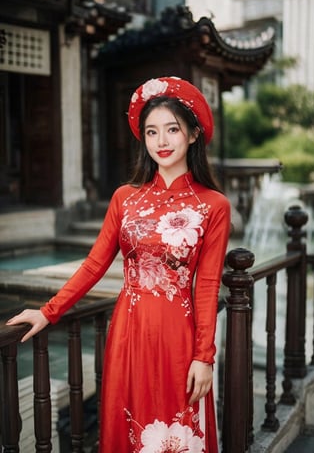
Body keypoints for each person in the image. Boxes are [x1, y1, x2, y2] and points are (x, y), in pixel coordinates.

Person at [7, 77, 231, 453]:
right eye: (151, 132)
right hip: (128, 330)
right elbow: (95, 263)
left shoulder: (213, 205)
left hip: (178, 335)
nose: (162, 141)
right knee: (127, 426)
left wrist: (204, 357)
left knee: (176, 433)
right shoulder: (125, 199)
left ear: (193, 135)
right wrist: (48, 312)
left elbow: (207, 285)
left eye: (172, 129)